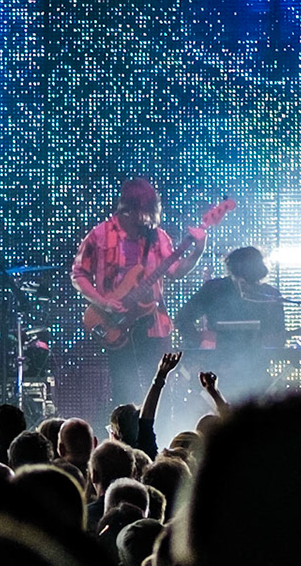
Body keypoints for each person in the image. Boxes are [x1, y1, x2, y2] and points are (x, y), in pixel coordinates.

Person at [71, 177, 208, 414]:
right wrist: (102, 302)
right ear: (129, 209)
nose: (146, 220)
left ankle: (158, 432)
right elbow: (78, 273)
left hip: (153, 324)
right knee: (123, 390)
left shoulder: (157, 237)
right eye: (143, 212)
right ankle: (125, 433)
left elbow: (175, 272)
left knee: (160, 386)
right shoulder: (100, 235)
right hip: (115, 323)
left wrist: (198, 251)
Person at [175, 245, 285, 401]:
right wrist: (199, 345)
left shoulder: (270, 295)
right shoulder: (214, 289)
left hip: (256, 370)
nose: (245, 285)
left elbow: (279, 335)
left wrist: (268, 343)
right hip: (217, 369)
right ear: (233, 270)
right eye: (241, 278)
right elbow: (182, 318)